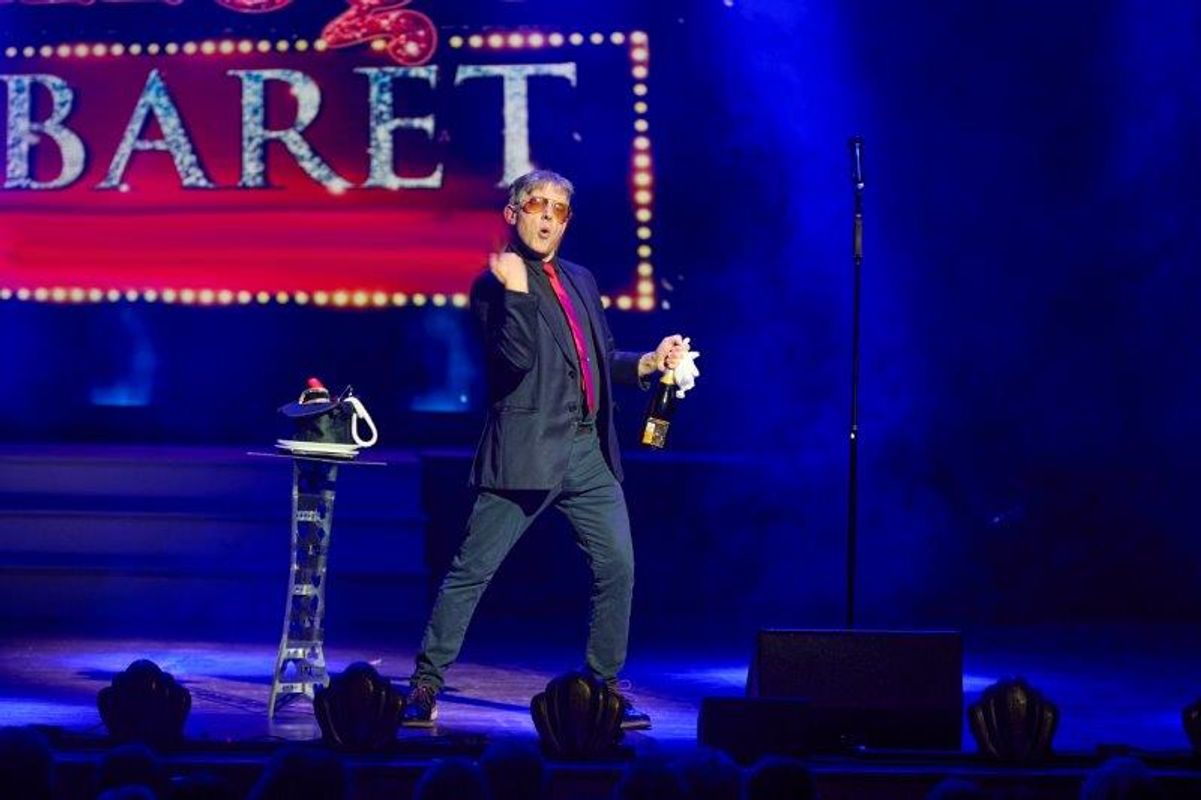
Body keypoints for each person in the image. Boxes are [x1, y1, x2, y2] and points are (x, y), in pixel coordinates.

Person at [403, 169, 690, 730]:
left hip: (588, 450)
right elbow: (513, 363)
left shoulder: (580, 278)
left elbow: (601, 360)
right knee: (471, 570)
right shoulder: (494, 283)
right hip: (526, 452)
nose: (547, 217)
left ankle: (603, 689)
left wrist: (649, 364)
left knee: (618, 567)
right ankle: (425, 683)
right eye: (537, 204)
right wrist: (514, 289)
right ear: (514, 214)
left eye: (559, 209)